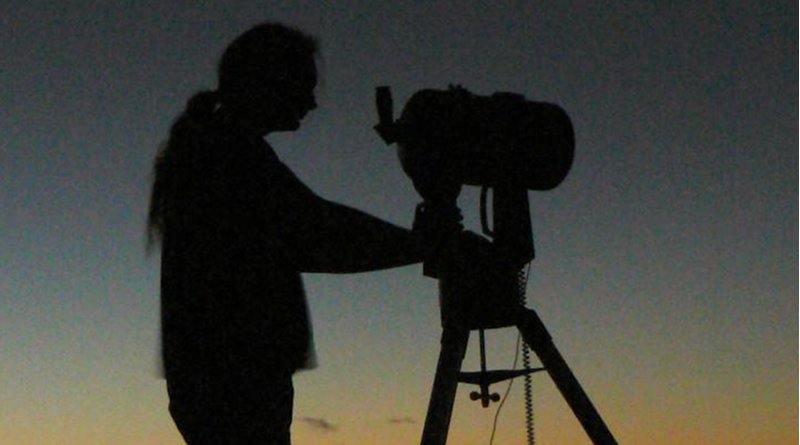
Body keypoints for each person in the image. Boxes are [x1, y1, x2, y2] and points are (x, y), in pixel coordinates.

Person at [147, 23, 426, 445]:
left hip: (222, 380)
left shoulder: (218, 147)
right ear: (267, 81)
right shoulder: (229, 155)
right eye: (304, 85)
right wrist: (422, 246)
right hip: (234, 382)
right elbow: (313, 230)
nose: (312, 101)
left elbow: (307, 225)